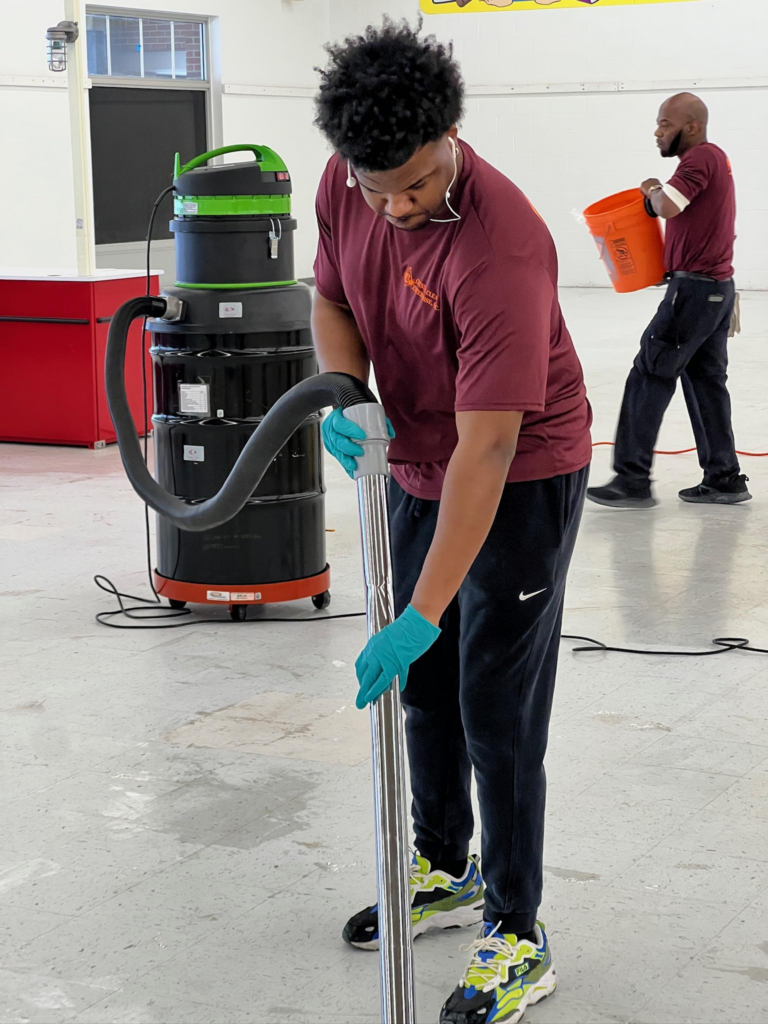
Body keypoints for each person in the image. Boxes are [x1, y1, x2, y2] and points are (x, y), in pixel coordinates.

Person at [312, 19, 592, 1024]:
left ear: (451, 136)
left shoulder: (503, 242)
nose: (395, 206)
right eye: (377, 186)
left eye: (418, 184)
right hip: (418, 458)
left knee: (492, 703)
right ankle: (443, 865)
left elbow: (490, 448)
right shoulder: (349, 186)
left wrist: (426, 608)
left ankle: (518, 931)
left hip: (519, 467)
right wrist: (344, 387)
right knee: (426, 692)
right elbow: (332, 294)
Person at [588, 92, 751, 509]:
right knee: (706, 382)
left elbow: (668, 206)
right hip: (715, 290)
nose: (657, 131)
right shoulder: (714, 159)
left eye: (664, 123)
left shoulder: (698, 159)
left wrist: (650, 188)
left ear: (691, 127)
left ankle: (631, 479)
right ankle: (724, 478)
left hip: (696, 292)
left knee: (650, 372)